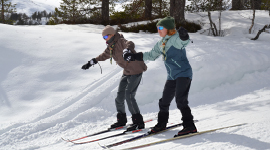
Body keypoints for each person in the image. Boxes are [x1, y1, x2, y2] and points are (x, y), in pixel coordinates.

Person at [123, 16, 197, 136]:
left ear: (168, 28)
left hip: (183, 73)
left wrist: (184, 36)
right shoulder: (161, 43)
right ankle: (161, 124)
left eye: (161, 28)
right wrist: (134, 56)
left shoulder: (175, 38)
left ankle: (190, 126)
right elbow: (151, 55)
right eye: (157, 28)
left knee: (180, 101)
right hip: (172, 76)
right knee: (163, 102)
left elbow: (183, 43)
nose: (158, 30)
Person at [81, 25, 147, 131]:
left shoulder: (120, 41)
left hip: (136, 70)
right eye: (103, 38)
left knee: (129, 95)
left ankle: (138, 122)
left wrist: (127, 50)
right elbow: (104, 55)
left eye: (105, 37)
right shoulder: (111, 46)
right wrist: (92, 61)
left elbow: (129, 43)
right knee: (119, 97)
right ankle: (121, 120)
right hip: (127, 72)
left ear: (111, 34)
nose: (104, 39)